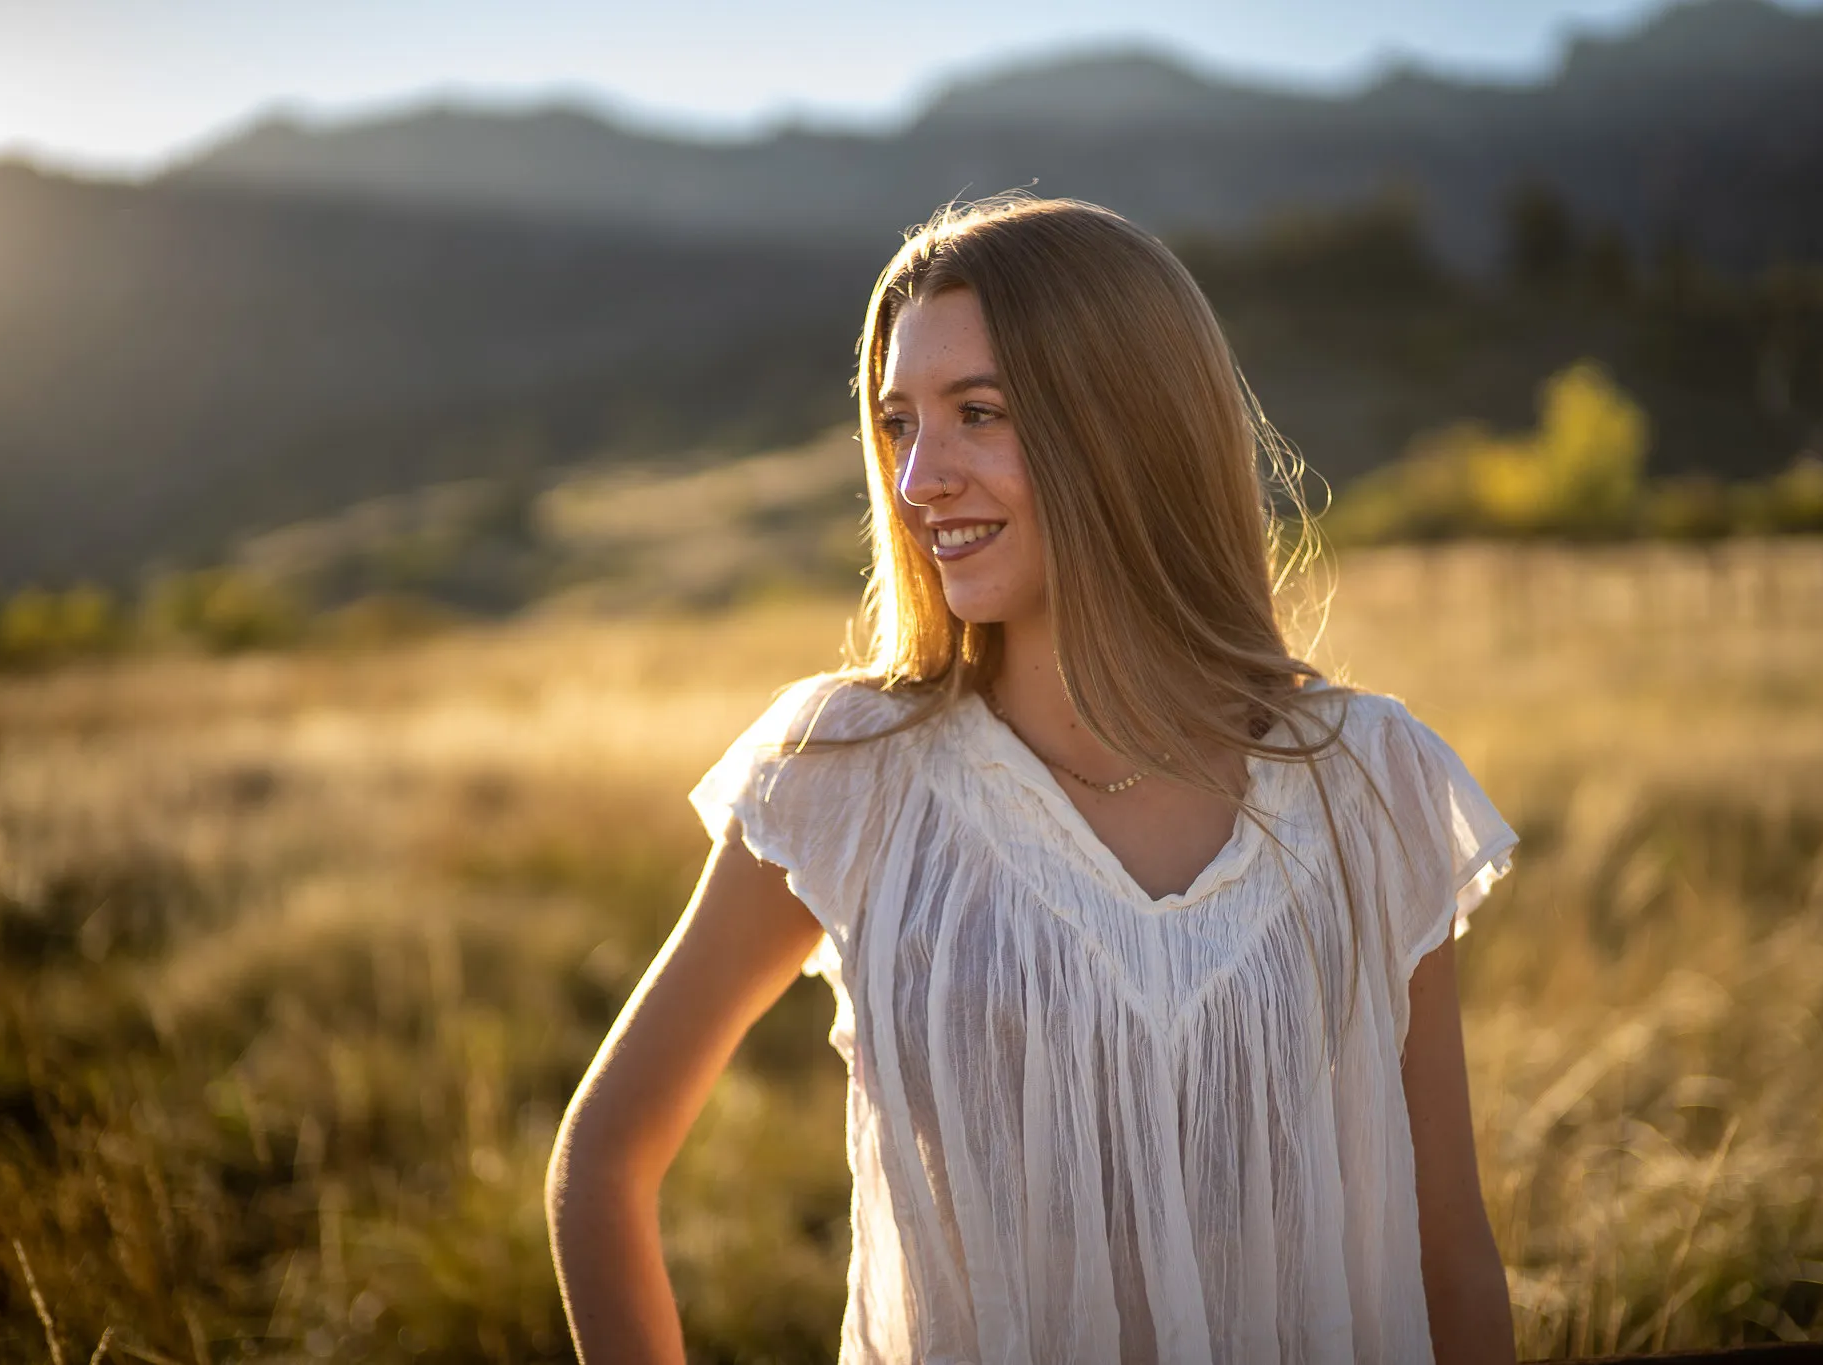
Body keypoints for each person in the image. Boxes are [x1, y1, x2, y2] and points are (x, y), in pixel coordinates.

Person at [545, 195, 1520, 1364]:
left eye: (978, 413)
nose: (917, 480)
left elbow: (1447, 1248)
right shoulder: (849, 774)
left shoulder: (1371, 786)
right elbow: (604, 1158)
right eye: (897, 424)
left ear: (1128, 426)